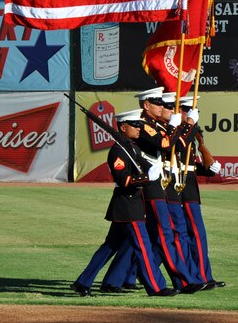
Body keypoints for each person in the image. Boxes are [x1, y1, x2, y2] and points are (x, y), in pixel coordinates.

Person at [70, 108, 177, 297]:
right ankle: (156, 287)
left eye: (139, 124)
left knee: (109, 248)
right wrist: (146, 177)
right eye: (134, 125)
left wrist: (155, 168)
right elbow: (123, 180)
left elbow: (144, 166)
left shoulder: (132, 148)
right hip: (128, 206)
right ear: (123, 127)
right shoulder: (118, 151)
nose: (139, 128)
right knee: (142, 247)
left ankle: (82, 282)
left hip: (130, 205)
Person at [133, 87, 205, 293]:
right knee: (164, 234)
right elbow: (169, 145)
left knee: (153, 237)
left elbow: (175, 144)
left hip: (165, 183)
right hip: (153, 185)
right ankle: (184, 279)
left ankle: (118, 277)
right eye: (160, 104)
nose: (164, 108)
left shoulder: (160, 125)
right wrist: (187, 125)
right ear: (146, 105)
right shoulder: (145, 125)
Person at [177, 95, 226, 290]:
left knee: (196, 236)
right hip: (180, 188)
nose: (191, 114)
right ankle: (199, 277)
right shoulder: (179, 132)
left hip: (189, 187)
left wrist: (207, 169)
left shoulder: (192, 133)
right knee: (192, 235)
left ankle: (203, 275)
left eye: (193, 111)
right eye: (187, 110)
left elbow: (191, 164)